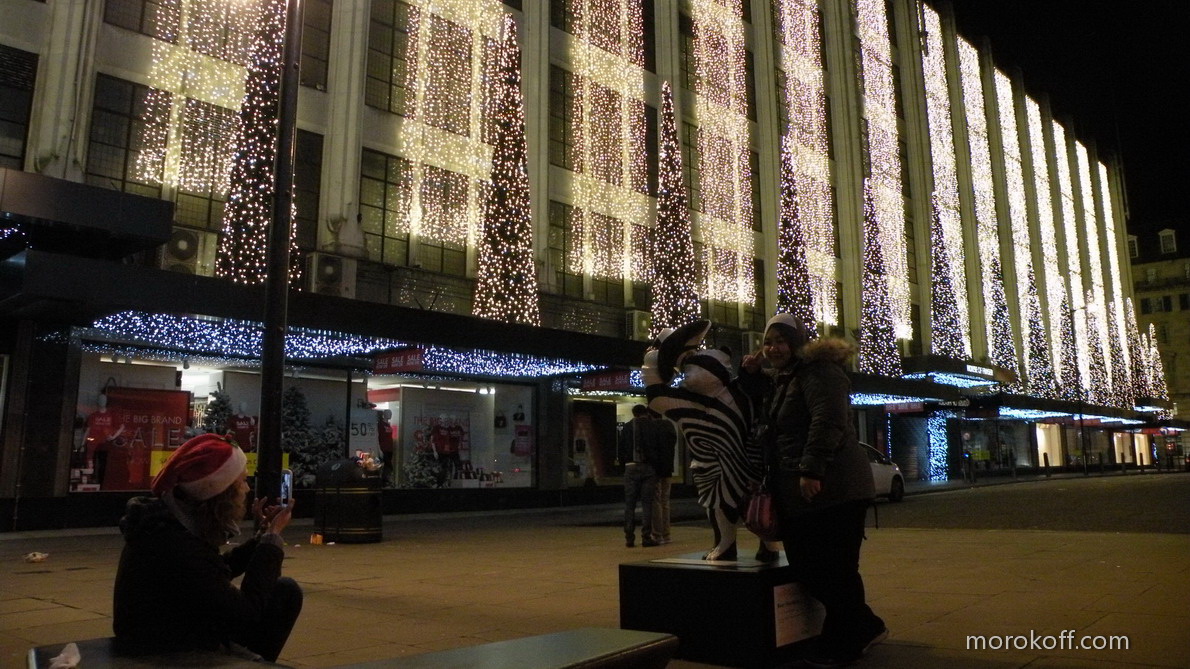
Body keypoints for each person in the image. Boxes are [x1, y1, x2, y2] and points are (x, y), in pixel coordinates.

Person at [740, 314, 886, 667]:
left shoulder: (820, 372)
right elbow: (772, 414)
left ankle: (846, 641)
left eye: (780, 341)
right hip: (801, 493)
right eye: (768, 342)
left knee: (834, 570)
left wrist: (812, 468)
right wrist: (752, 375)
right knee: (810, 568)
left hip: (835, 488)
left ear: (796, 343)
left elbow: (829, 419)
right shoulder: (788, 377)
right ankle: (866, 626)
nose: (773, 348)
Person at [113, 434, 302, 662]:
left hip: (172, 631)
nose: (247, 489)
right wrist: (272, 539)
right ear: (220, 493)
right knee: (283, 595)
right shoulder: (175, 542)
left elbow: (212, 572)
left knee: (284, 591)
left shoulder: (169, 526)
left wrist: (262, 536)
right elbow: (246, 611)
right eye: (241, 481)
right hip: (165, 648)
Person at [618, 404, 659, 547]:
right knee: (647, 504)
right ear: (646, 413)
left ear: (634, 414)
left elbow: (621, 448)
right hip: (648, 467)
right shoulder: (652, 426)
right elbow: (656, 447)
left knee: (630, 504)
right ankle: (646, 537)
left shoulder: (627, 427)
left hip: (630, 467)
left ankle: (629, 537)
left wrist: (624, 465)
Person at [650, 411, 677, 545]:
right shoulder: (670, 426)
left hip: (655, 469)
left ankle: (657, 534)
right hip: (668, 469)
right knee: (665, 502)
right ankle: (667, 535)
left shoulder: (652, 428)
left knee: (656, 502)